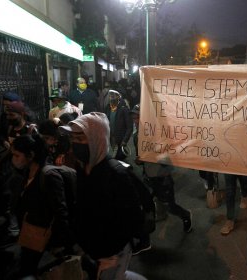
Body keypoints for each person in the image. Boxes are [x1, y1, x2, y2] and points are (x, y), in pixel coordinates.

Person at [59, 112, 146, 279]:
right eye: (73, 139)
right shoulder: (82, 167)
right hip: (92, 250)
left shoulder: (116, 173)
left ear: (96, 140)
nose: (75, 144)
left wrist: (112, 253)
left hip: (111, 253)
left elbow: (133, 218)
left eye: (81, 139)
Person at [11, 134, 79, 278]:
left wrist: (63, 243)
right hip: (31, 232)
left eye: (17, 155)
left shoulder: (49, 176)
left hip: (44, 235)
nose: (14, 159)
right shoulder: (27, 171)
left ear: (31, 155)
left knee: (31, 270)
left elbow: (61, 211)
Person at [130, 105, 192, 236]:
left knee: (171, 206)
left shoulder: (159, 133)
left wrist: (156, 155)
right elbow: (140, 157)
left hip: (162, 176)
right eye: (134, 118)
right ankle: (159, 214)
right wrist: (139, 161)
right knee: (147, 201)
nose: (135, 121)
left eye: (138, 117)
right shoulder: (136, 136)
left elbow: (169, 156)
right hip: (148, 175)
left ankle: (186, 216)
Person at [104, 90, 133, 161]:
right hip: (111, 138)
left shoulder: (124, 109)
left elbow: (129, 127)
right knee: (113, 158)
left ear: (118, 97)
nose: (111, 97)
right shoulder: (108, 108)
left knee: (120, 158)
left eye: (114, 95)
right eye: (110, 95)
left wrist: (125, 140)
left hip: (120, 139)